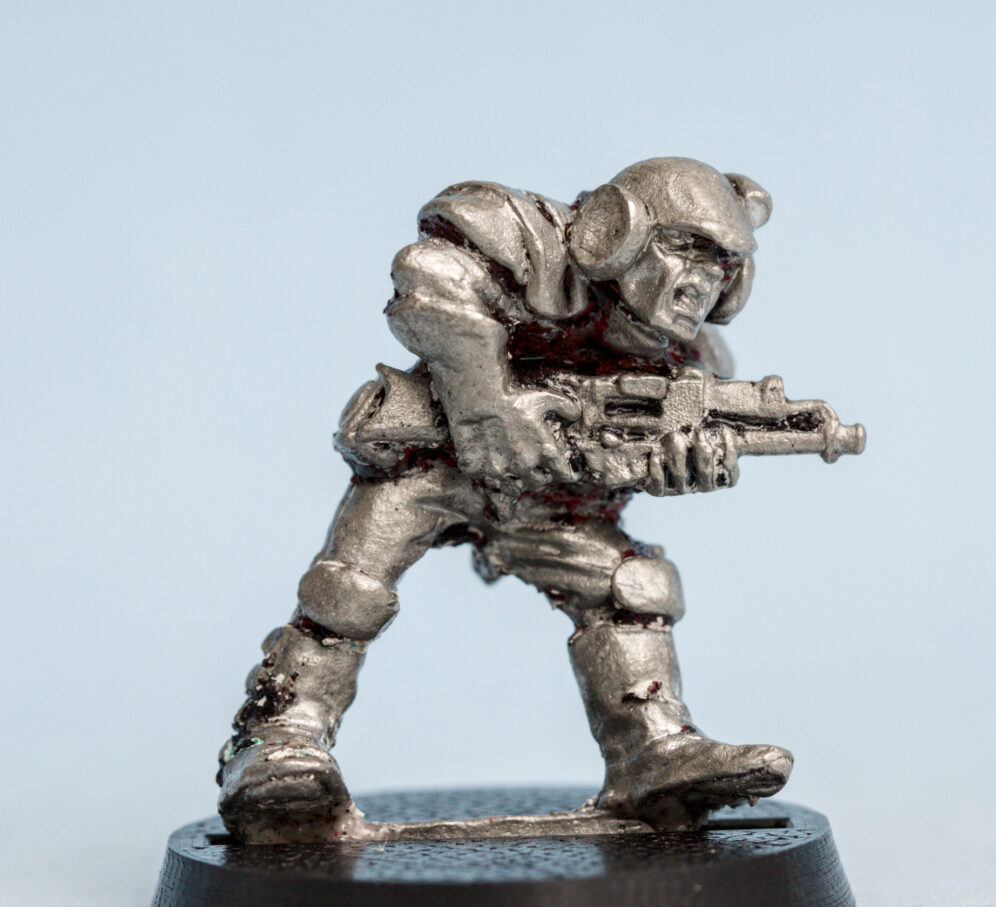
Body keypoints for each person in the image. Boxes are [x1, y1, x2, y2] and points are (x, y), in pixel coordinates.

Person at [217, 157, 793, 841]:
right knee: (349, 589)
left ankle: (654, 748)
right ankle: (280, 738)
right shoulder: (529, 240)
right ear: (617, 231)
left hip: (551, 504)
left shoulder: (690, 364)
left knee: (633, 586)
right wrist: (486, 396)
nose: (703, 280)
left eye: (724, 263)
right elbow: (428, 275)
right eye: (686, 248)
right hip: (435, 466)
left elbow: (621, 453)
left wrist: (659, 469)